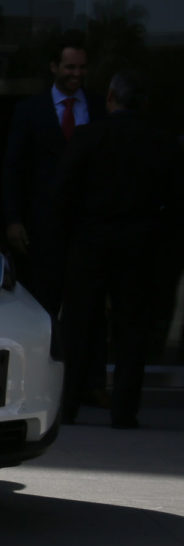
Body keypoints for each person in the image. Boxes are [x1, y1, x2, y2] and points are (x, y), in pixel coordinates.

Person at [54, 70, 182, 428]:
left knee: (78, 325)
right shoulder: (161, 142)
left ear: (110, 98)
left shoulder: (89, 137)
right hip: (139, 243)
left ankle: (68, 405)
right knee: (132, 328)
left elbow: (62, 192)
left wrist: (67, 236)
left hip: (91, 240)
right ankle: (124, 409)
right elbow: (175, 201)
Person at [1, 31, 104, 317]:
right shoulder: (29, 110)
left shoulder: (100, 108)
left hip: (88, 228)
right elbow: (13, 168)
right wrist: (13, 219)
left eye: (82, 67)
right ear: (53, 67)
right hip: (43, 228)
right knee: (43, 305)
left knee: (86, 309)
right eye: (70, 67)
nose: (77, 73)